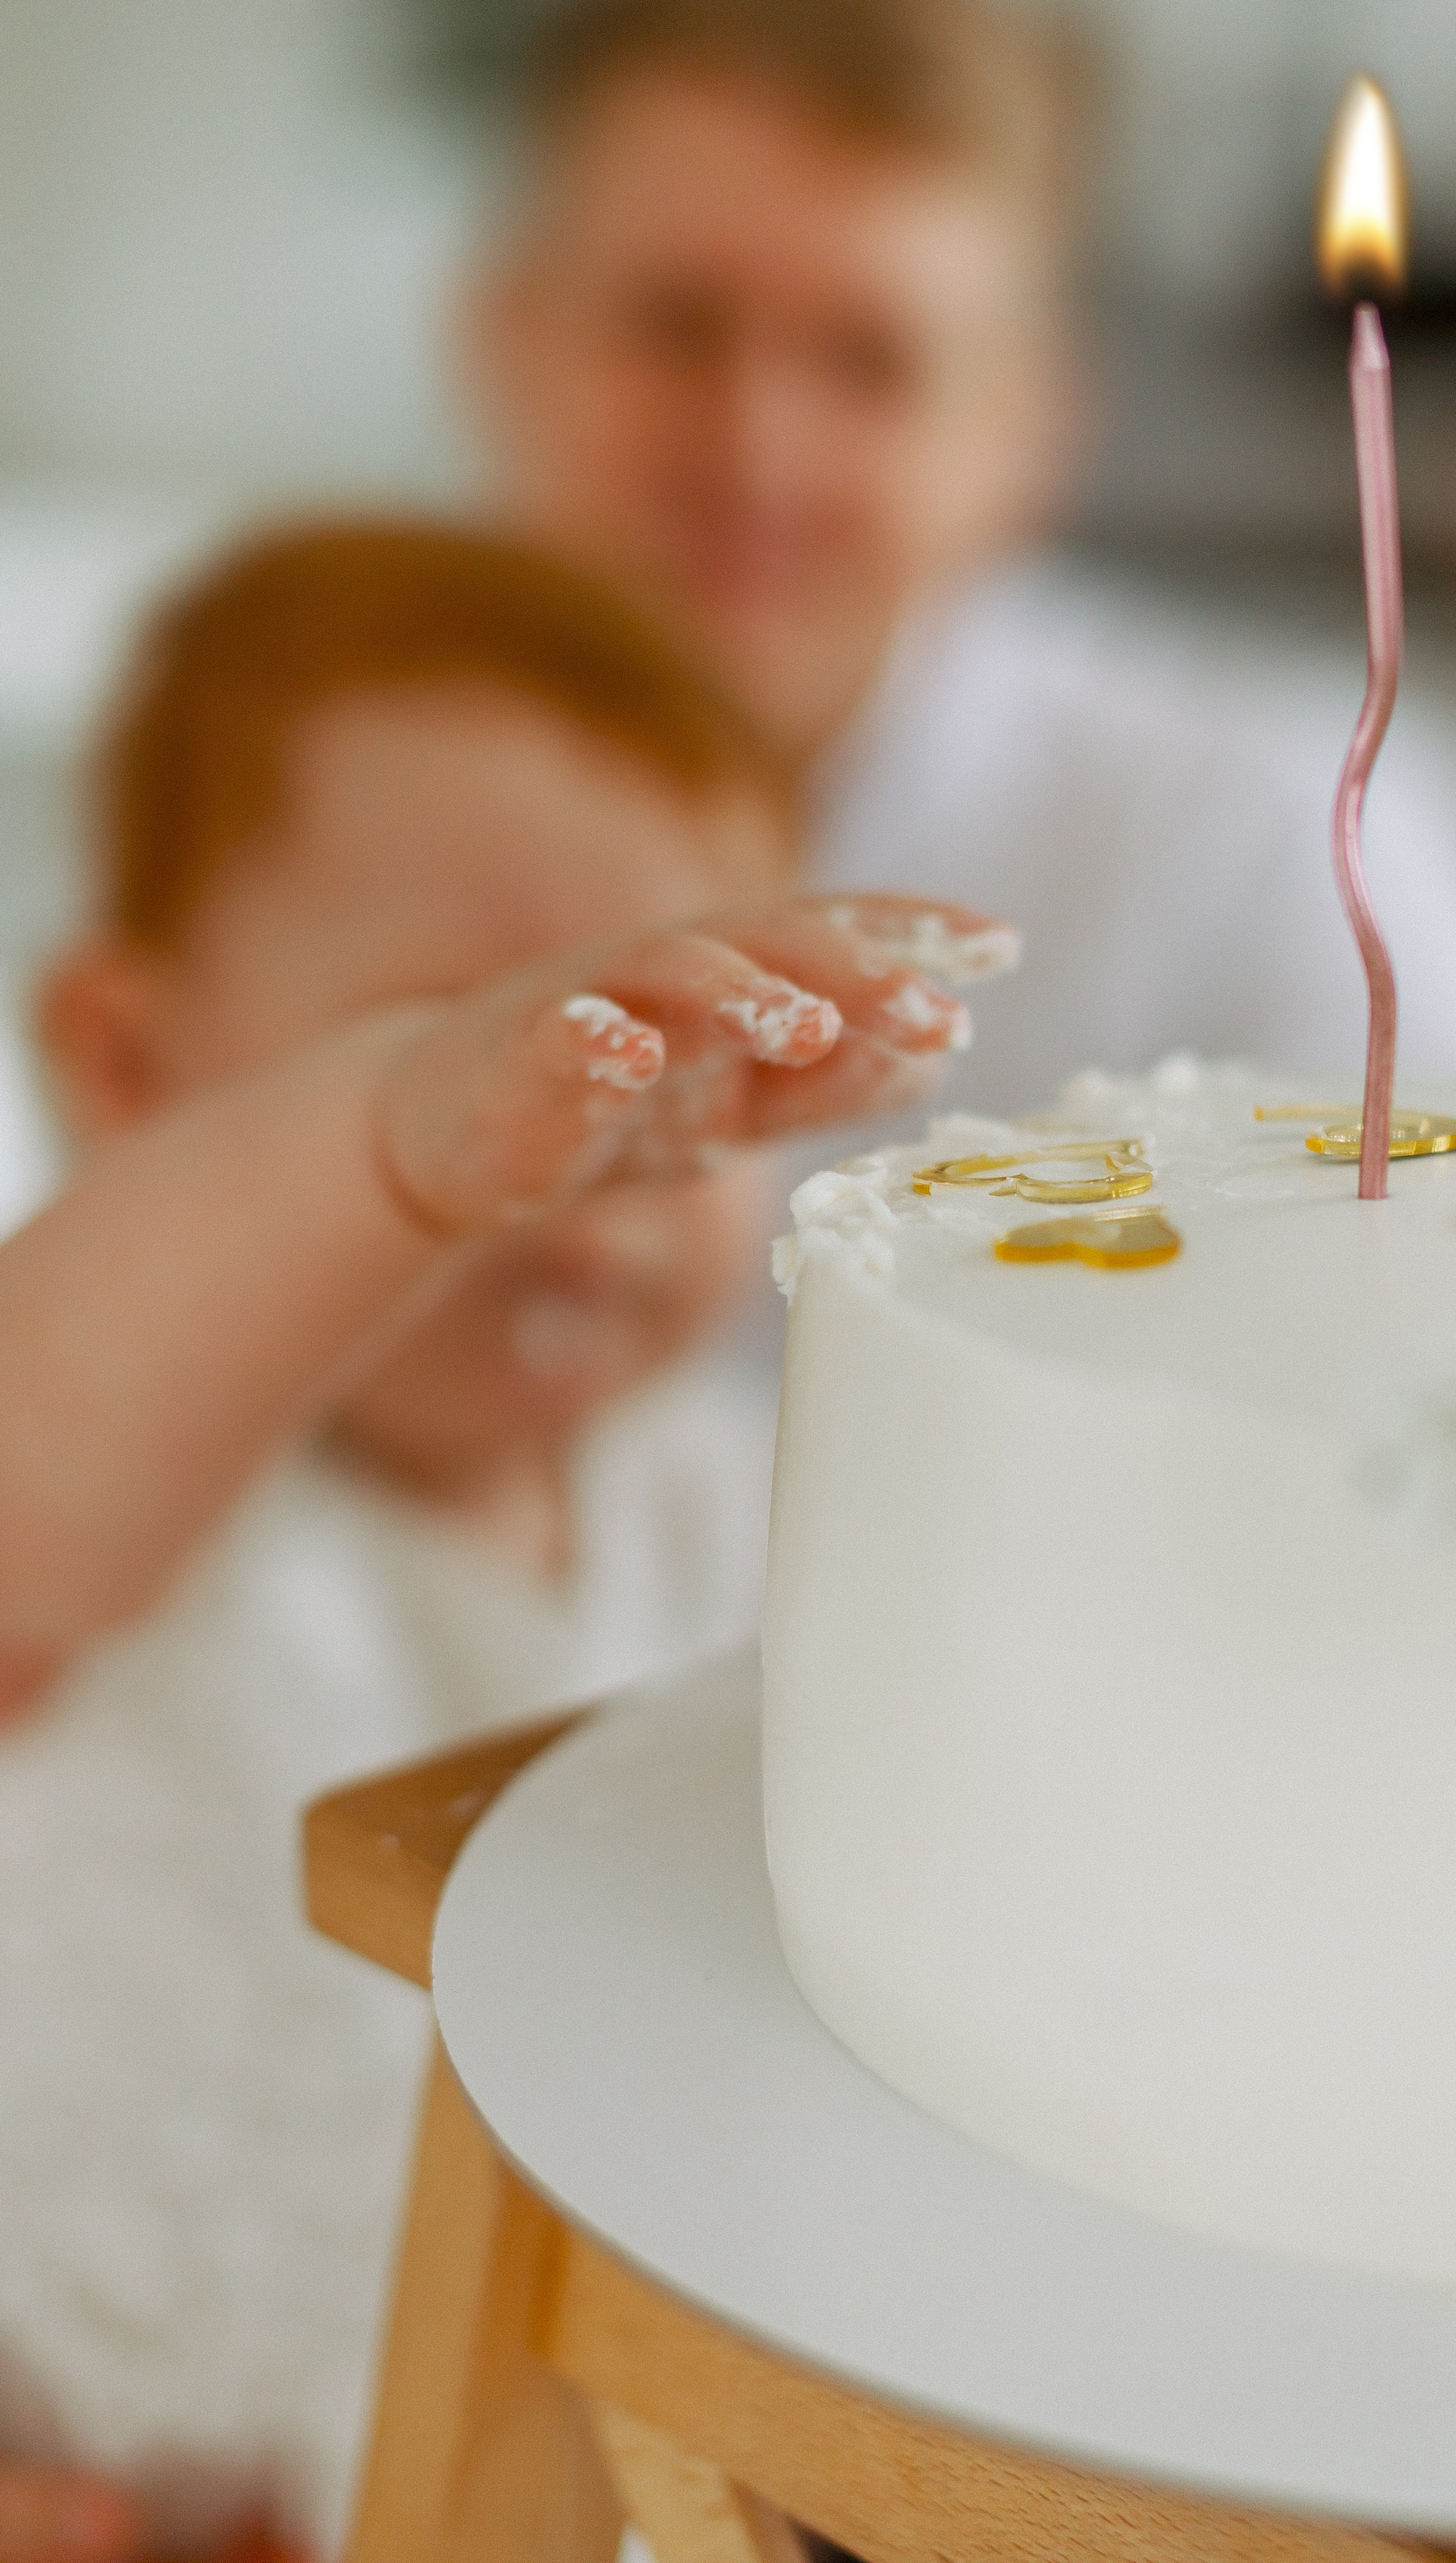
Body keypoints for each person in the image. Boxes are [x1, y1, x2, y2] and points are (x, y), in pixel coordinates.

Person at [0, 517, 1011, 2557]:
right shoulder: (122, 1457)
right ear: (124, 1061)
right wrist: (397, 1146)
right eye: (504, 1036)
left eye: (675, 1075)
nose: (596, 1165)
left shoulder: (741, 1491)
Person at [463, 0, 1456, 1125]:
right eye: (676, 327)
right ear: (501, 339)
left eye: (871, 363)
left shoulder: (1291, 850)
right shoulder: (279, 805)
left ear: (1030, 423)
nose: (758, 451)